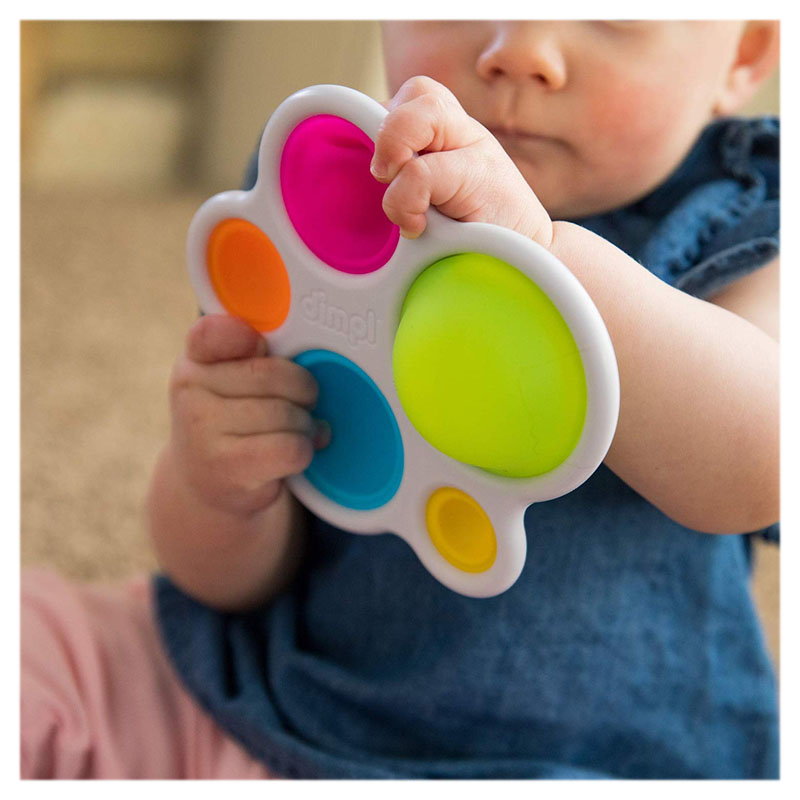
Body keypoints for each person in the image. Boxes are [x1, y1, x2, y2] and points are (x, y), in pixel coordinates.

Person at [22, 20, 780, 779]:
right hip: (267, 704)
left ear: (743, 54)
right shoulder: (329, 177)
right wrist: (214, 481)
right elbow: (223, 581)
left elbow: (761, 465)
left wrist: (541, 256)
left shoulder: (750, 214)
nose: (518, 49)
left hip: (580, 765)